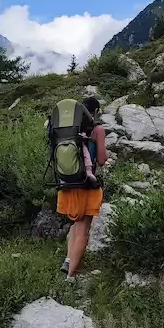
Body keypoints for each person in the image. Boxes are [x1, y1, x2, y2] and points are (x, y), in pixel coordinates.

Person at [57, 96, 107, 280]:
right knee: (83, 229)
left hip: (67, 183)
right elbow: (101, 159)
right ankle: (70, 277)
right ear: (95, 111)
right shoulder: (97, 129)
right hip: (87, 184)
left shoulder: (68, 131)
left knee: (76, 224)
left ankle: (69, 260)